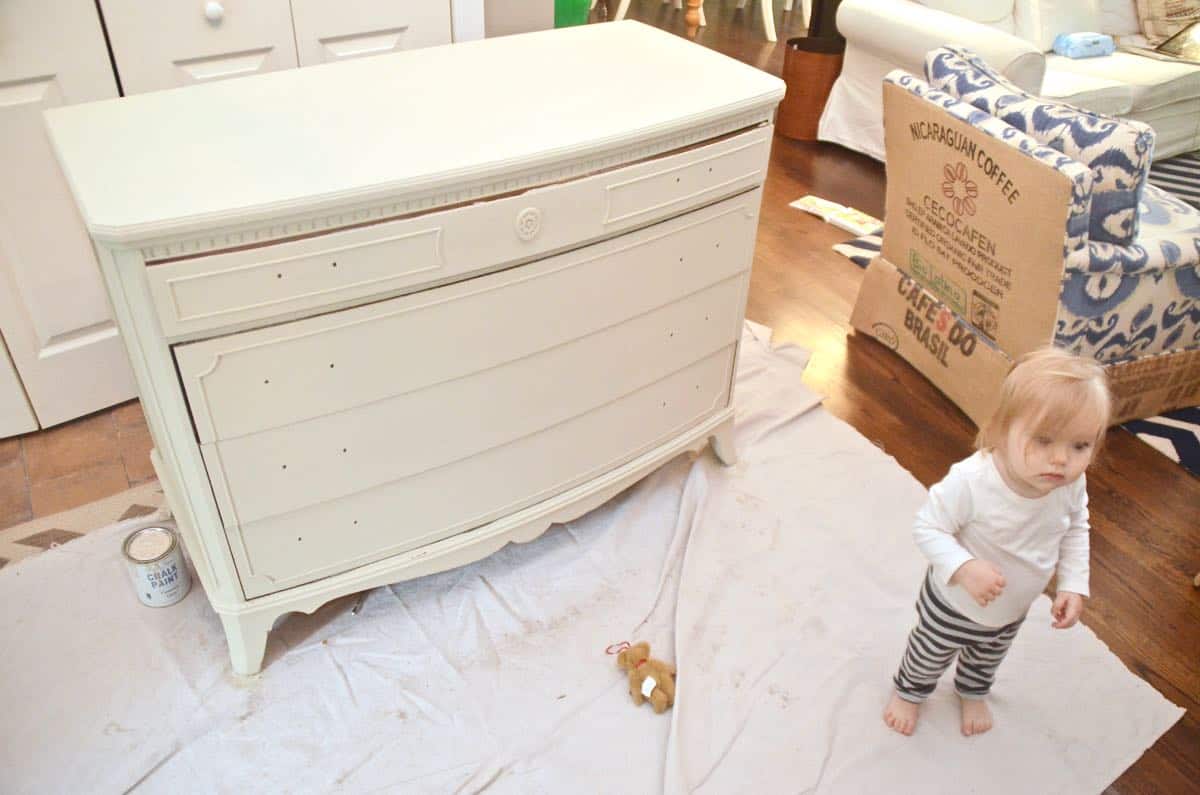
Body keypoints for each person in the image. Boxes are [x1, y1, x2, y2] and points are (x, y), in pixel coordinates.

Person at [882, 346, 1112, 737]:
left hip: (1012, 607)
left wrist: (1073, 583)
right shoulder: (973, 481)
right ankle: (908, 692)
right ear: (1003, 430)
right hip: (953, 603)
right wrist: (964, 567)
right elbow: (928, 527)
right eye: (1044, 440)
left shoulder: (1069, 485)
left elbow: (1076, 527)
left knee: (987, 658)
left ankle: (972, 690)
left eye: (1080, 446)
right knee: (928, 654)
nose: (1062, 460)